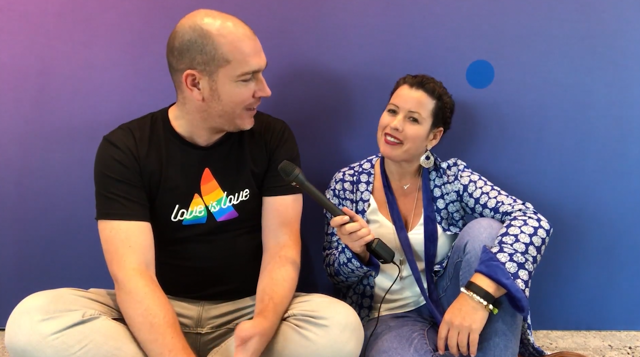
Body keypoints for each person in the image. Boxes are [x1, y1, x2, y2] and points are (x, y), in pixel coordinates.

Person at [5, 8, 364, 357]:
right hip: (156, 310)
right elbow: (133, 276)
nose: (264, 90)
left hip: (246, 310)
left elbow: (282, 251)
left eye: (261, 74)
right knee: (32, 321)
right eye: (246, 78)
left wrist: (263, 325)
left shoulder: (272, 137)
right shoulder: (126, 147)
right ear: (196, 83)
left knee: (338, 326)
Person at [323, 74, 584, 357]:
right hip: (387, 317)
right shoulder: (348, 182)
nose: (395, 125)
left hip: (452, 298)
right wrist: (357, 253)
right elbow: (337, 276)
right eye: (392, 111)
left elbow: (533, 222)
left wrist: (477, 296)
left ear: (433, 136)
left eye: (412, 119)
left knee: (486, 231)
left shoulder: (452, 178)